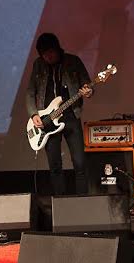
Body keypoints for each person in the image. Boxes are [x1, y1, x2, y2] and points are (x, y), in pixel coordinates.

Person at [26, 33, 93, 195]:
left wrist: (88, 91)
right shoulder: (38, 65)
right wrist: (34, 114)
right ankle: (60, 201)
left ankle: (83, 200)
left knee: (80, 163)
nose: (48, 57)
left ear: (57, 49)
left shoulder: (73, 61)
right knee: (55, 165)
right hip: (47, 120)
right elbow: (30, 92)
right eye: (44, 54)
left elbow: (87, 84)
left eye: (50, 52)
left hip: (71, 116)